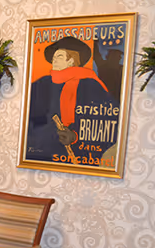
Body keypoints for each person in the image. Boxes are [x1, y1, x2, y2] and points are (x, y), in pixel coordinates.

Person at [26, 36, 119, 168]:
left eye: (58, 56)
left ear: (71, 61)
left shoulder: (90, 85)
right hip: (40, 158)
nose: (53, 59)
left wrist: (75, 137)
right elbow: (26, 119)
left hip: (76, 161)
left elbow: (108, 124)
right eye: (53, 56)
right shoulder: (43, 83)